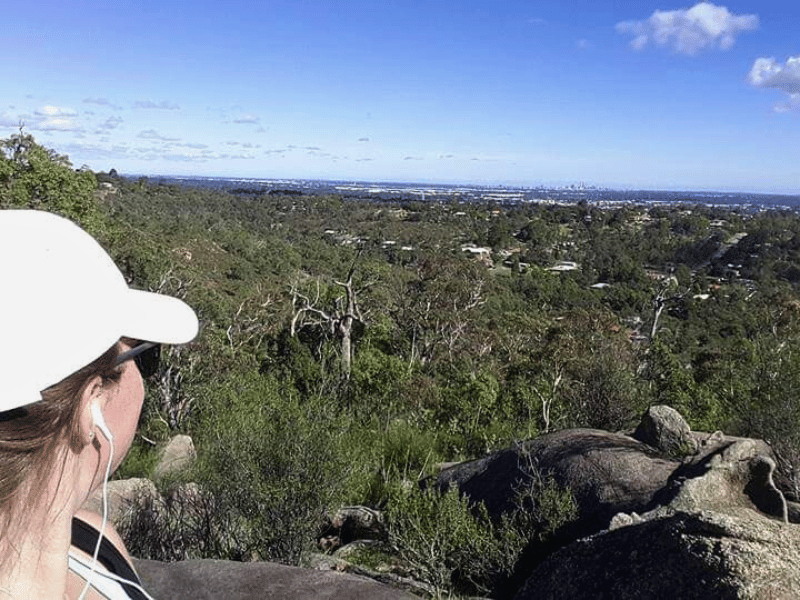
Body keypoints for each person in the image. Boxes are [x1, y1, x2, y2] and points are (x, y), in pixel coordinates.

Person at [0, 210, 198, 599]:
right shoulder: (95, 548)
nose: (145, 377)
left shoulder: (97, 539)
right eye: (145, 356)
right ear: (89, 404)